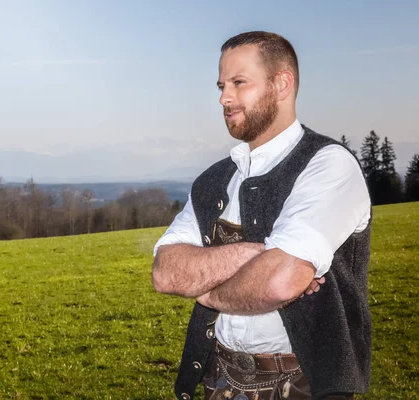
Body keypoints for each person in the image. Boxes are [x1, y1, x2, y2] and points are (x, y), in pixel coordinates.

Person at [151, 31, 372, 400]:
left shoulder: (329, 166)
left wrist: (206, 293)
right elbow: (165, 271)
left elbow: (279, 282)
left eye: (240, 82)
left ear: (282, 84)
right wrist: (255, 255)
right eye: (222, 85)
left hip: (304, 383)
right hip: (218, 378)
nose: (224, 97)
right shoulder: (214, 180)